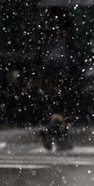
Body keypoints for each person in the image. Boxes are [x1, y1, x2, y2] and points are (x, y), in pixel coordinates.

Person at [38, 8, 80, 151]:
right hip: (64, 74)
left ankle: (59, 136)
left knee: (58, 108)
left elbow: (43, 56)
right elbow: (72, 57)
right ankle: (56, 135)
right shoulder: (64, 38)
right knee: (64, 108)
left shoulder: (48, 37)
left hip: (52, 75)